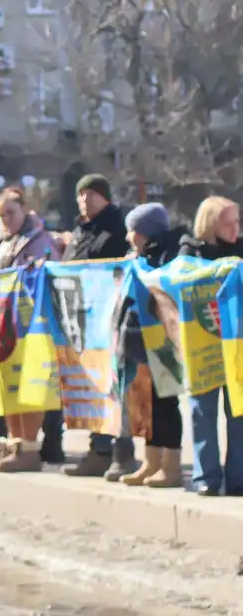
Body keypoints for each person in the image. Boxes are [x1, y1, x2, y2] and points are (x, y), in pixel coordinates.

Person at [0, 188, 60, 472]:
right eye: (1, 214)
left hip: (29, 328)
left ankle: (29, 447)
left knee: (27, 386)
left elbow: (43, 275)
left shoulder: (40, 240)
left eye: (11, 213)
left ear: (25, 210)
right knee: (8, 388)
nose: (6, 219)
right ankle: (14, 443)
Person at [60, 175, 135, 479]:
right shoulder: (80, 231)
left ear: (105, 197)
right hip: (83, 322)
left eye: (90, 194)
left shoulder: (117, 228)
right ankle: (98, 451)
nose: (84, 200)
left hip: (111, 319)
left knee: (116, 388)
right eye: (80, 195)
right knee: (92, 388)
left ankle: (123, 452)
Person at [118, 202, 189, 489]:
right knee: (144, 402)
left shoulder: (169, 255)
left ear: (145, 232)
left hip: (162, 339)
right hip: (138, 338)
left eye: (131, 231)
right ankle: (151, 461)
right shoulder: (137, 256)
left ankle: (171, 466)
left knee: (165, 403)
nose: (127, 237)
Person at [178, 195, 243, 496]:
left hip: (235, 346)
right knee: (202, 412)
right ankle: (206, 477)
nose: (235, 229)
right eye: (229, 223)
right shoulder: (188, 252)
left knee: (238, 412)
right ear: (211, 224)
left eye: (238, 221)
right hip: (201, 346)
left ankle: (238, 477)